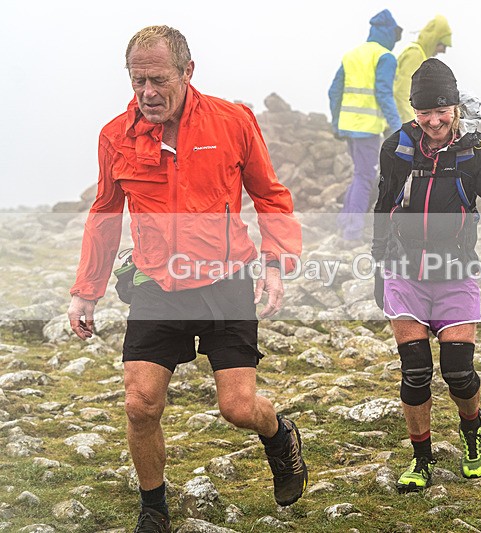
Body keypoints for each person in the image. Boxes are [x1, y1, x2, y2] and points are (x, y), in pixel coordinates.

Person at [67, 26, 306, 532]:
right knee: (139, 404)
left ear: (188, 71)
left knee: (238, 408)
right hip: (156, 285)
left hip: (226, 282)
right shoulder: (115, 136)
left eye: (158, 80)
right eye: (138, 81)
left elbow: (270, 196)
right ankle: (153, 509)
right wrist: (86, 291)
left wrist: (275, 263)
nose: (148, 92)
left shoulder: (232, 121)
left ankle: (279, 433)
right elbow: (105, 214)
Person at [371, 58, 481, 493]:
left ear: (455, 107)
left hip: (455, 271)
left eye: (441, 110)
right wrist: (377, 262)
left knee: (458, 372)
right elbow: (383, 204)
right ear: (414, 110)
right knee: (415, 372)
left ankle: (473, 437)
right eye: (424, 112)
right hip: (404, 271)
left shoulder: (476, 150)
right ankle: (421, 460)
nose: (433, 121)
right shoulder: (398, 147)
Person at [329, 9, 403, 245]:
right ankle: (352, 232)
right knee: (366, 176)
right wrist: (397, 127)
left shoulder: (352, 55)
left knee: (359, 174)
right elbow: (384, 93)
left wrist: (336, 123)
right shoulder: (385, 57)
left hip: (348, 126)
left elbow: (334, 91)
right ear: (389, 33)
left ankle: (344, 222)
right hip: (367, 129)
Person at [393, 14, 452, 124]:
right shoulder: (415, 55)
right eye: (443, 45)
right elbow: (402, 93)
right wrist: (413, 124)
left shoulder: (420, 56)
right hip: (399, 122)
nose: (443, 51)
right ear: (434, 40)